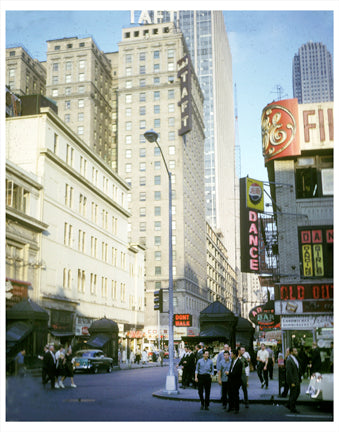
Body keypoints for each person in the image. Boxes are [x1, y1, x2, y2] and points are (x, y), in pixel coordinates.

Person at [286, 347, 302, 413]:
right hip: (293, 380)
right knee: (294, 394)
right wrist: (292, 382)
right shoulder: (289, 360)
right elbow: (289, 372)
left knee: (296, 392)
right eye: (295, 351)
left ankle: (289, 404)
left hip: (297, 379)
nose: (296, 352)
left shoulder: (295, 358)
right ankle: (292, 408)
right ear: (291, 352)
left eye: (296, 351)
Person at [227, 347, 243, 414]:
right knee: (230, 394)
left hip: (236, 381)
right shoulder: (233, 361)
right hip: (230, 380)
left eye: (231, 354)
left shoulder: (239, 362)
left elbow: (237, 373)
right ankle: (231, 407)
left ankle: (237, 408)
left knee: (235, 395)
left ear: (235, 355)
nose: (230, 355)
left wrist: (229, 373)